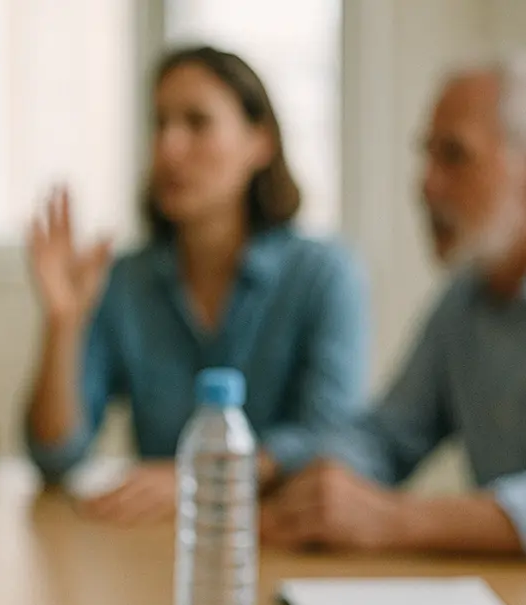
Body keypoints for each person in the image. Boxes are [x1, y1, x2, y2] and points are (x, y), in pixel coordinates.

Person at [26, 46, 368, 524]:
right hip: (159, 546)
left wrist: (204, 477)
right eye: (160, 124)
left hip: (280, 539)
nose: (169, 148)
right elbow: (56, 455)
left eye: (197, 122)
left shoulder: (323, 275)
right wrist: (63, 322)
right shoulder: (126, 280)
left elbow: (332, 438)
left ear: (259, 141)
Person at [263, 58, 526, 554]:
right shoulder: (465, 302)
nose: (424, 184)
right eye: (426, 155)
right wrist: (328, 484)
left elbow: (388, 514)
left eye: (454, 155)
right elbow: (388, 435)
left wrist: (393, 519)